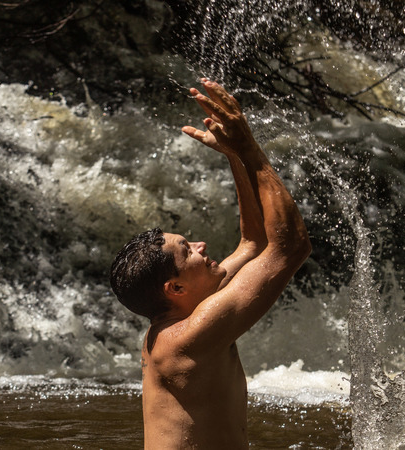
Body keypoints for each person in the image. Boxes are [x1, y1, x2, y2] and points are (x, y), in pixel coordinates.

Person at [110, 79, 311, 449]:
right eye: (188, 251)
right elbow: (291, 247)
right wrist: (250, 148)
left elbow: (254, 244)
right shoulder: (188, 337)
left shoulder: (182, 316)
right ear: (176, 288)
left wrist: (234, 155)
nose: (201, 245)